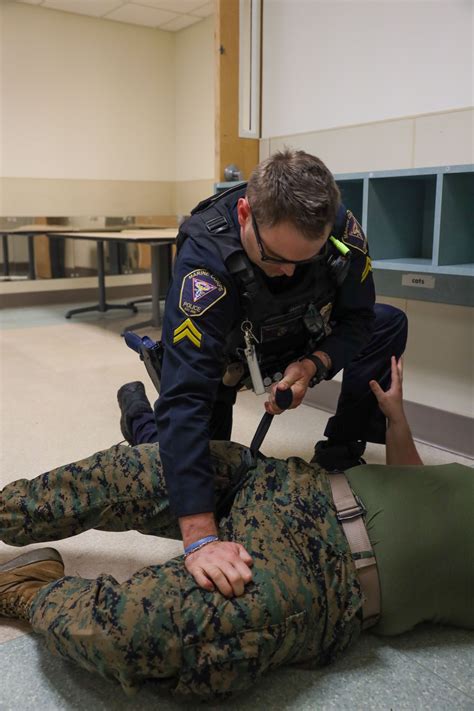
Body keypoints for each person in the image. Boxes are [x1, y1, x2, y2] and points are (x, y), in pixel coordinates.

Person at [1, 359, 472, 700]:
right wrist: (397, 418)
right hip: (293, 481)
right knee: (131, 470)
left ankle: (28, 590)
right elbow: (420, 485)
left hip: (326, 573)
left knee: (135, 632)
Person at [117, 149, 407, 595]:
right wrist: (200, 538)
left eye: (304, 260)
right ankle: (137, 412)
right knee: (182, 468)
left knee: (389, 322)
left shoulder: (341, 228)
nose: (289, 271)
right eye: (274, 257)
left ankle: (339, 450)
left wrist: (314, 364)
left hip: (298, 337)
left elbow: (360, 319)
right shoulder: (205, 261)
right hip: (225, 359)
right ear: (245, 212)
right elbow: (187, 396)